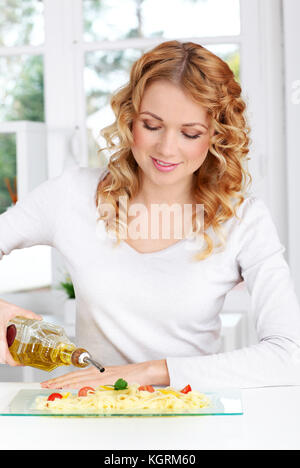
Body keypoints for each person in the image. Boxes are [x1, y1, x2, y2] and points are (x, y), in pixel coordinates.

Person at [1, 40, 300, 391]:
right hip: (88, 423)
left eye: (190, 133)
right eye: (152, 125)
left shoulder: (243, 220)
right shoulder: (71, 195)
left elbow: (289, 356)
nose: (167, 149)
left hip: (193, 425)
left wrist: (148, 372)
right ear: (130, 119)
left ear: (217, 136)